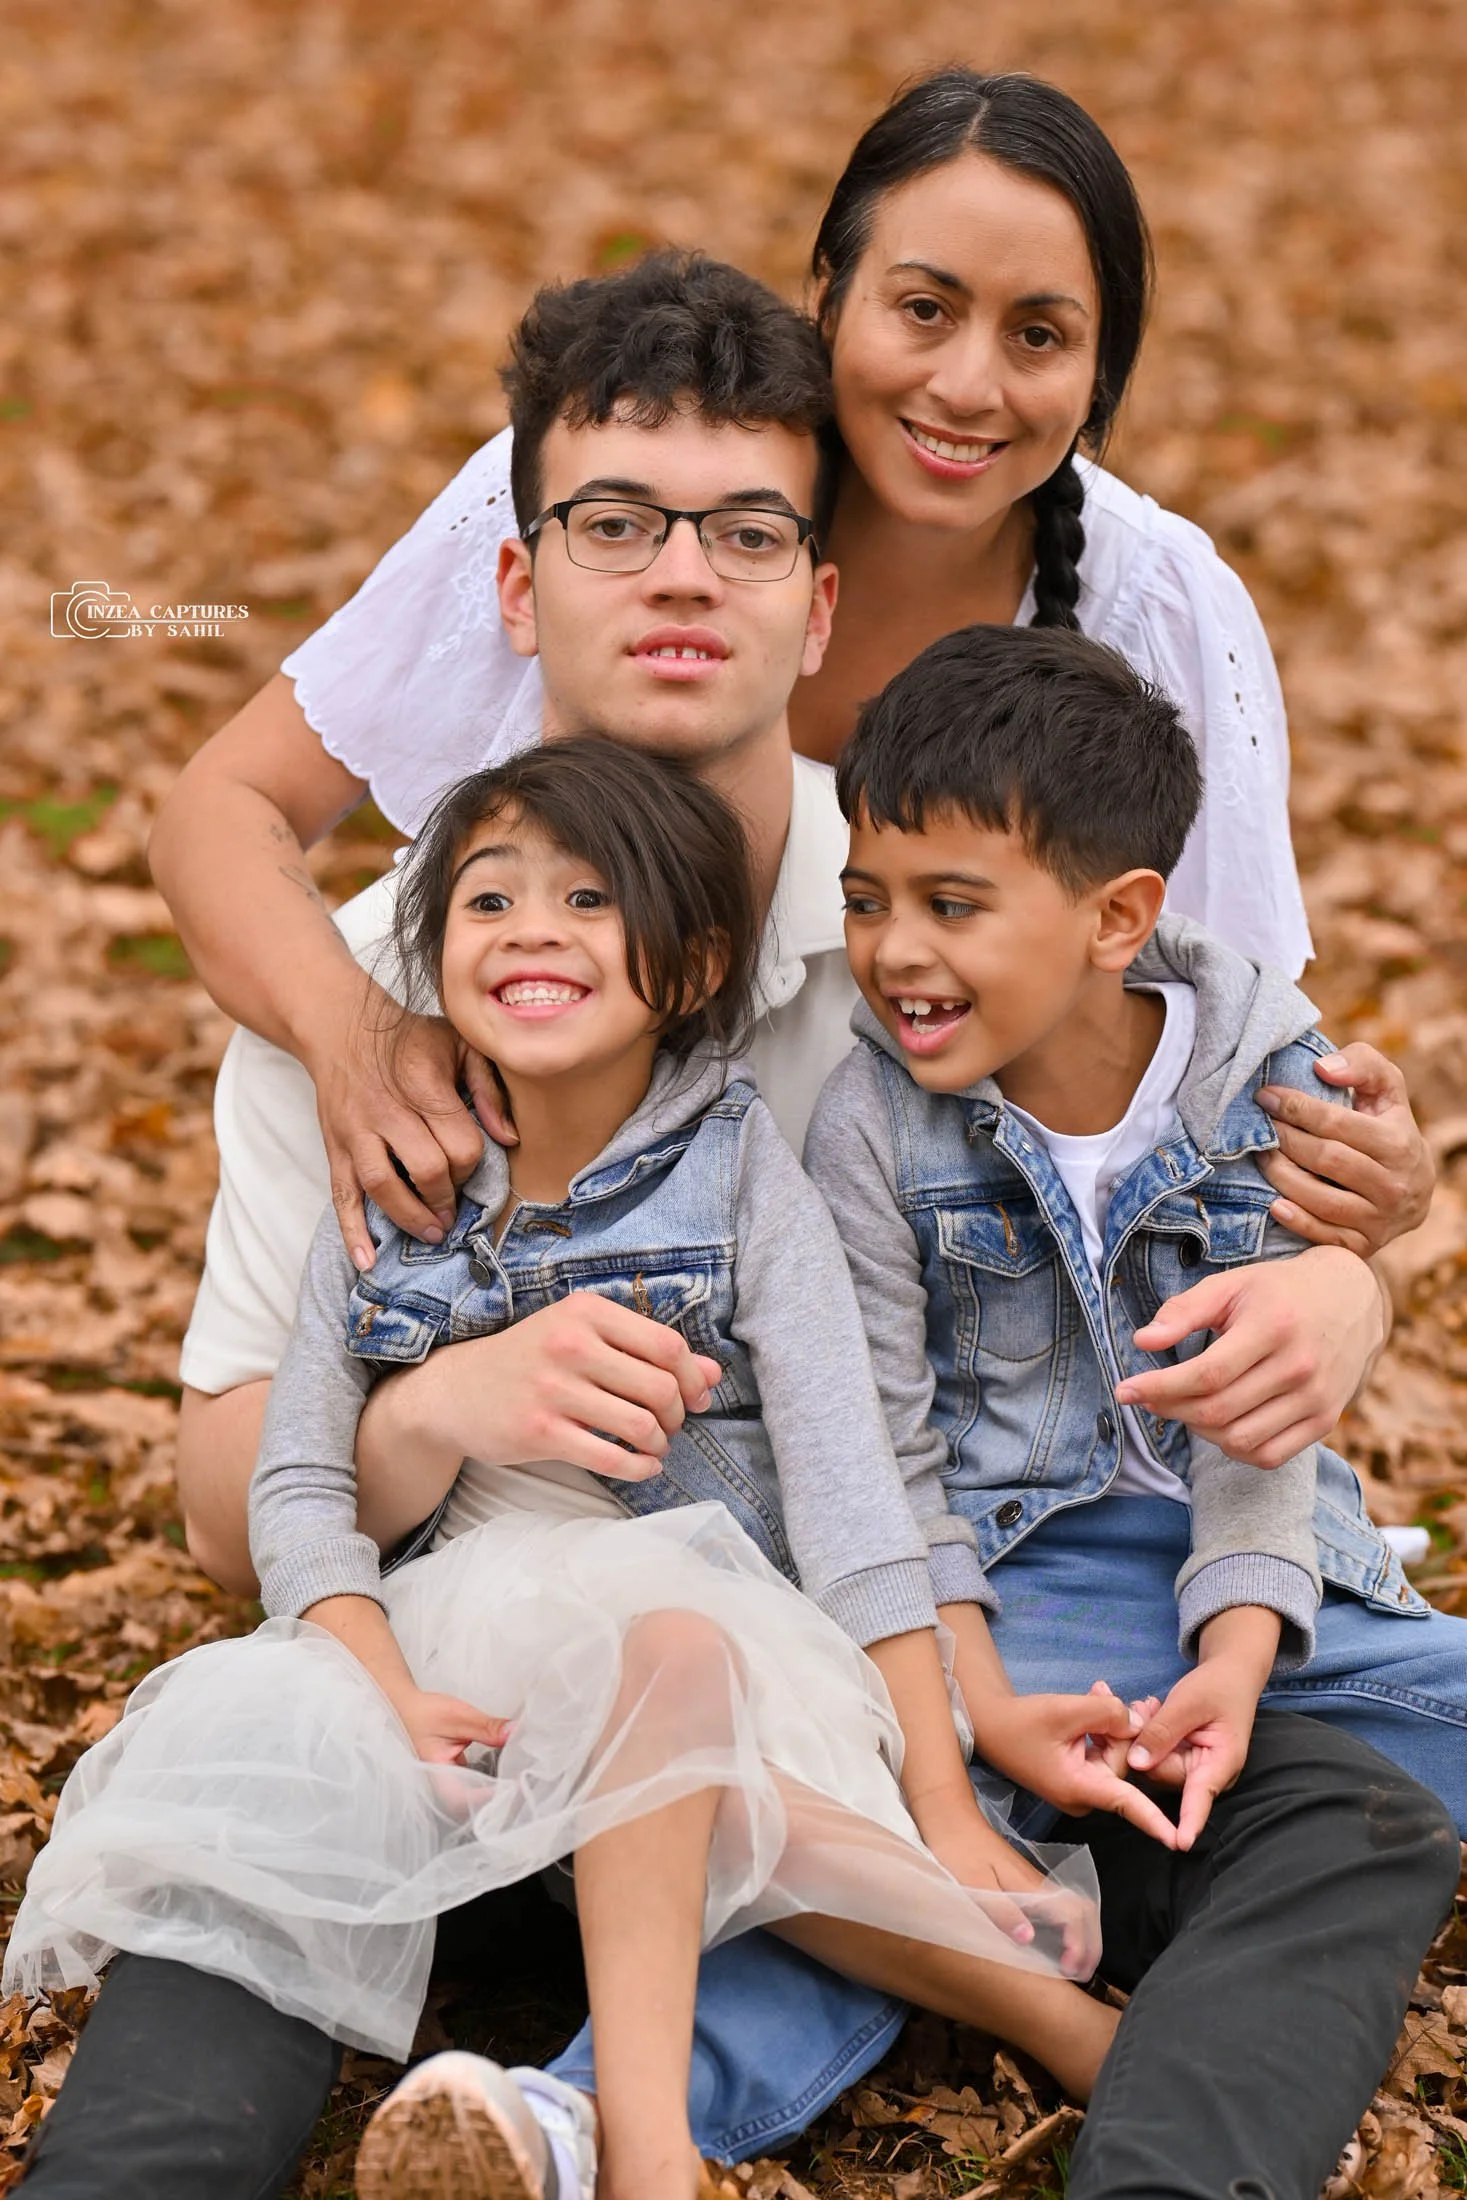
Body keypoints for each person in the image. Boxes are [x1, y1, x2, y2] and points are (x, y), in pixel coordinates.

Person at [14, 252, 1455, 2200]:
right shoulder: (375, 994)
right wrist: (453, 1408)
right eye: (614, 524)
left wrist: (1337, 1277)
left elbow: (1160, 1230)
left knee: (1340, 1813)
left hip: (882, 1690)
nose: (682, 575)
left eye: (746, 529)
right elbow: (233, 1493)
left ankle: (1122, 2123)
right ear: (512, 586)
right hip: (476, 1716)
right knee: (254, 1829)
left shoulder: (928, 945)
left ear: (819, 596)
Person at [149, 76, 1431, 1595]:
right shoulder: (643, 470)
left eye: (1039, 336)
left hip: (952, 1449)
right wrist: (357, 1038)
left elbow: (1219, 1076)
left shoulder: (1152, 610)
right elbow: (221, 808)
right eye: (921, 309)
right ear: (826, 302)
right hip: (535, 1094)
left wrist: (1350, 1269)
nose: (966, 385)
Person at [9, 739, 1121, 2200]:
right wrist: (378, 1680)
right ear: (436, 955)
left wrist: (946, 1800)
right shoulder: (399, 1189)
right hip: (446, 1646)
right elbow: (294, 1490)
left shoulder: (737, 1175)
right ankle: (1040, 2008)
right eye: (487, 901)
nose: (531, 927)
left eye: (588, 900)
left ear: (690, 959)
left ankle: (647, 2154)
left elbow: (854, 1495)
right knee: (281, 1779)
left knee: (664, 1653)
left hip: (703, 1637)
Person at [806, 619, 1467, 1835]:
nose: (895, 950)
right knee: (895, 1794)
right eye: (866, 900)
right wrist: (979, 1692)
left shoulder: (1262, 1084)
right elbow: (887, 1459)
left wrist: (1240, 1653)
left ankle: (1240, 1761)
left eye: (952, 905)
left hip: (1268, 1576)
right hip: (1016, 1583)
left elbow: (1256, 1430)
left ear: (1118, 919)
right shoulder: (869, 1125)